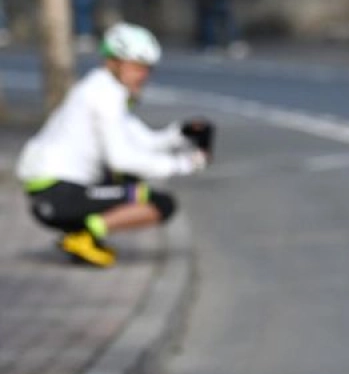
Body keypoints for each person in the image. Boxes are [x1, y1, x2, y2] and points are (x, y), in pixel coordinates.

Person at [16, 23, 210, 268]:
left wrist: (179, 134)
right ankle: (85, 235)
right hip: (56, 193)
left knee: (127, 182)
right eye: (137, 67)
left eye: (148, 68)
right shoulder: (106, 96)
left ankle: (83, 236)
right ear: (114, 62)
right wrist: (184, 164)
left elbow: (143, 139)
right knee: (159, 202)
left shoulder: (101, 87)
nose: (143, 75)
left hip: (55, 189)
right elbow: (123, 158)